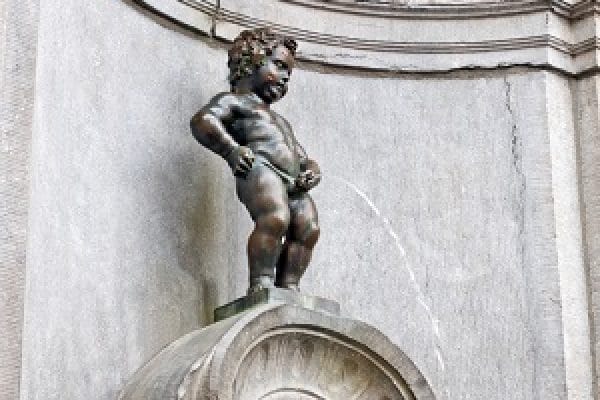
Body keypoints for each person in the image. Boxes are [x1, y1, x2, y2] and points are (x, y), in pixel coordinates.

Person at [190, 28, 321, 293]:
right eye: (281, 67)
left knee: (308, 228)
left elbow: (301, 154)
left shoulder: (281, 121)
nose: (285, 78)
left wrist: (312, 169)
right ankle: (261, 283)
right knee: (275, 218)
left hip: (293, 182)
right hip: (259, 166)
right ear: (253, 60)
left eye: (289, 74)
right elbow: (203, 120)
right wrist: (231, 150)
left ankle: (289, 286)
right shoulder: (236, 102)